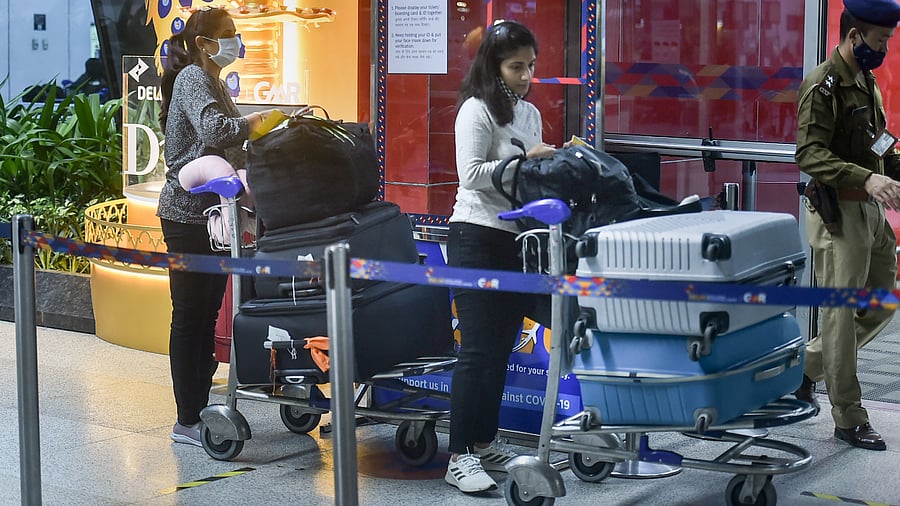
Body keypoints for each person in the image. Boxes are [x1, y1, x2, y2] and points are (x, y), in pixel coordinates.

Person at [445, 20, 557, 493]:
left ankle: (486, 441)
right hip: (475, 236)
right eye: (516, 67)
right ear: (494, 66)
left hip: (516, 239)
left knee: (499, 353)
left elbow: (524, 175)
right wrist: (526, 163)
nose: (526, 75)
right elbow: (470, 174)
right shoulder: (475, 111)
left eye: (531, 66)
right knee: (476, 352)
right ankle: (457, 455)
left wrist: (552, 165)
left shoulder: (528, 113)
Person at [157, 6, 275, 447]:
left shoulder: (213, 80)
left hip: (213, 215)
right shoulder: (193, 78)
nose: (235, 41)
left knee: (205, 315)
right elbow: (217, 129)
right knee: (191, 316)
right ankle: (186, 419)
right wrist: (257, 122)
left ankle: (197, 407)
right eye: (227, 34)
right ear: (204, 43)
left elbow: (224, 141)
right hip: (188, 214)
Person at [795, 0, 900, 452]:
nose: (884, 48)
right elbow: (810, 155)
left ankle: (802, 369)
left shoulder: (866, 81)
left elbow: (879, 142)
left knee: (882, 302)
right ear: (855, 36)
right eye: (880, 41)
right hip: (839, 213)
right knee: (840, 318)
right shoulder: (824, 84)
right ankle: (849, 416)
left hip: (871, 212)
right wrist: (867, 177)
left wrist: (892, 164)